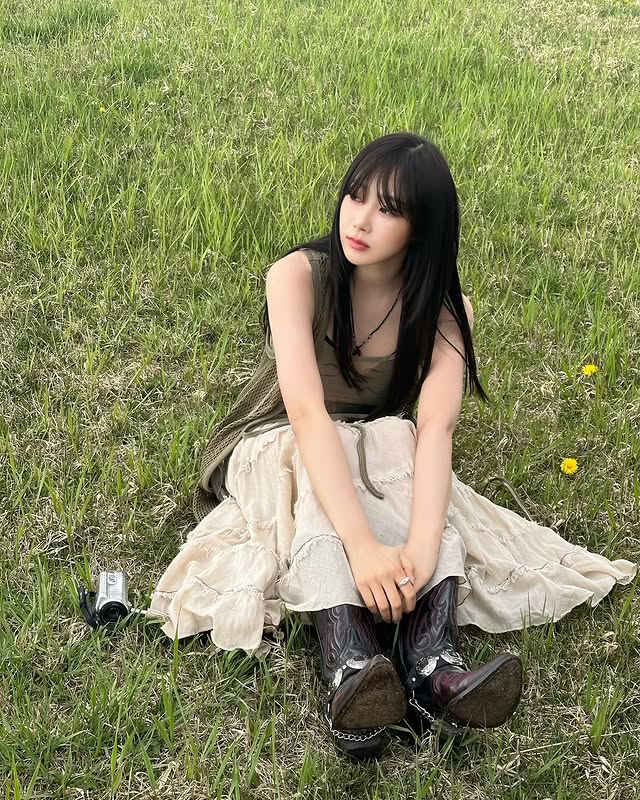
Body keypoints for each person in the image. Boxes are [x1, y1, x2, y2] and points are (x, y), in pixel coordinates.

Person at [148, 132, 637, 760]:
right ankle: (349, 666)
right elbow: (306, 414)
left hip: (374, 446)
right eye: (356, 196)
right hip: (273, 439)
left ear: (422, 227)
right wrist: (363, 548)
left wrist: (420, 549)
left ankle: (433, 665)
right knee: (342, 451)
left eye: (389, 209)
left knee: (397, 440)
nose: (360, 220)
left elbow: (435, 430)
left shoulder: (444, 310)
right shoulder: (296, 276)